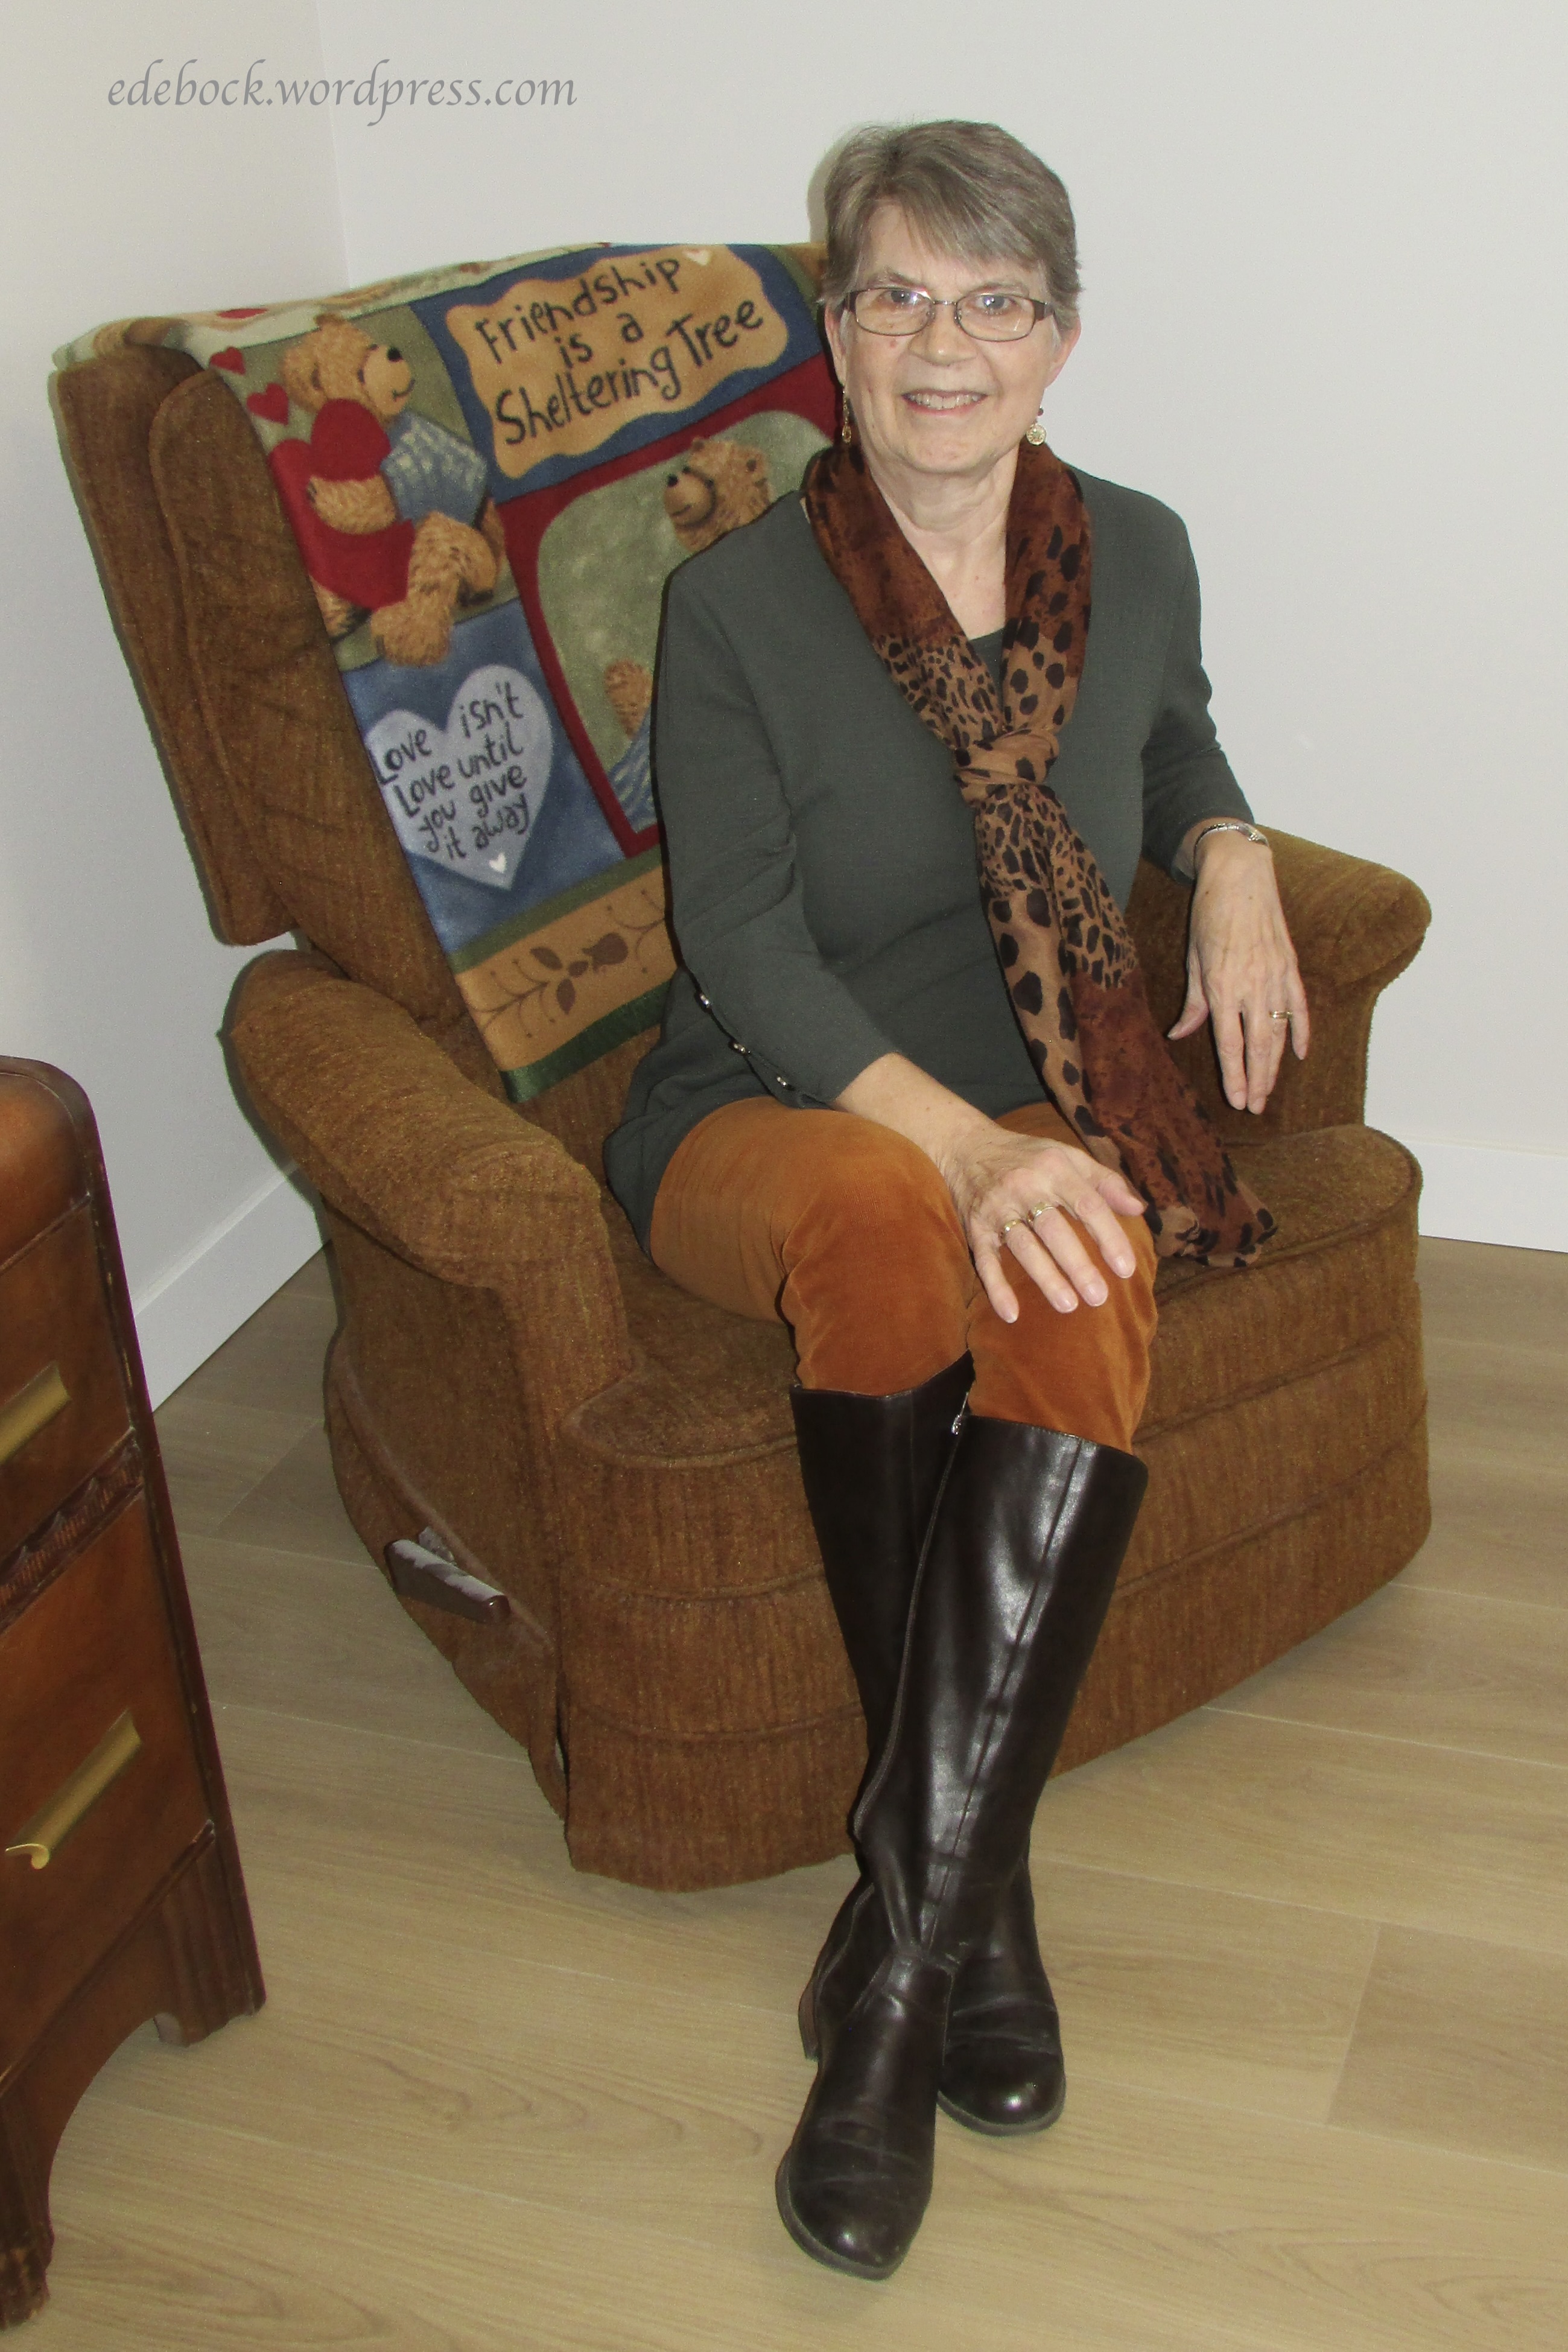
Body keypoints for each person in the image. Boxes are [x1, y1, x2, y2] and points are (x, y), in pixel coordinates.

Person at [604, 119, 1309, 2280]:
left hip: (1038, 1078)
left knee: (1086, 1263)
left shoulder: (1142, 550)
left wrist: (1236, 848)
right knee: (899, 1220)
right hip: (770, 1103)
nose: (944, 343)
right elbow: (741, 943)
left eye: (994, 301)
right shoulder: (735, 605)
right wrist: (973, 1142)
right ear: (835, 334)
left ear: (1060, 341)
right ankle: (970, 1925)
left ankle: (912, 1954)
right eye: (897, 294)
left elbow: (1169, 738)